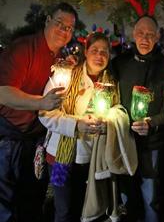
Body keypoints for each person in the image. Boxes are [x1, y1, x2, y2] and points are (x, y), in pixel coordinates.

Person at [39, 32, 129, 222]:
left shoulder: (111, 83)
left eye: (104, 51)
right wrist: (76, 124)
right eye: (94, 50)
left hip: (90, 159)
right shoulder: (66, 73)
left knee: (84, 210)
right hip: (59, 157)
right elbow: (45, 114)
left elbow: (116, 113)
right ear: (85, 52)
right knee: (63, 210)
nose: (99, 56)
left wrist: (108, 123)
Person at [0, 2, 77, 222]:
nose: (64, 31)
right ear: (47, 21)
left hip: (36, 139)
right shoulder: (23, 48)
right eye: (60, 24)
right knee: (6, 202)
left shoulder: (61, 57)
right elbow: (3, 93)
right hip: (9, 136)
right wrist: (42, 103)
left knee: (32, 199)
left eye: (70, 28)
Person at [112, 15, 164, 222]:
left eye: (150, 34)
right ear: (133, 34)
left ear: (157, 36)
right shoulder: (119, 64)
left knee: (150, 197)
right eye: (141, 33)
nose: (145, 38)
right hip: (125, 143)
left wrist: (153, 123)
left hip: (153, 145)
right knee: (125, 196)